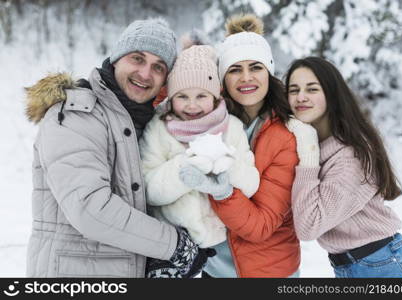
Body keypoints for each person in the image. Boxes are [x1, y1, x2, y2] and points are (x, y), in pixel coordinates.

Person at [25, 18, 210, 278]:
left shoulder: (144, 124)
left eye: (158, 67)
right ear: (116, 59)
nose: (145, 74)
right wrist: (175, 245)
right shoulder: (76, 114)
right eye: (137, 58)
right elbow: (90, 209)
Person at [179, 14, 301, 277]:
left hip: (268, 272)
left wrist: (222, 192)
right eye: (235, 69)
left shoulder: (286, 135)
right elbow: (165, 106)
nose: (246, 78)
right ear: (223, 78)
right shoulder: (209, 118)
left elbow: (261, 225)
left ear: (268, 71)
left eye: (255, 67)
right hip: (213, 269)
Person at [284, 56, 402, 278]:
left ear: (331, 94)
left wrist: (307, 159)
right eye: (294, 90)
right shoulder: (317, 145)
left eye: (312, 89)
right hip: (354, 266)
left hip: (384, 266)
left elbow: (309, 226)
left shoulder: (350, 157)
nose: (301, 97)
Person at [140, 45, 260, 277]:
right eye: (182, 96)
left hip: (224, 243)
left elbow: (252, 183)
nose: (192, 105)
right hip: (175, 246)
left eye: (201, 96)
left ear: (215, 97)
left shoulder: (232, 127)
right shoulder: (158, 129)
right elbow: (147, 189)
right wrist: (186, 165)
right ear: (171, 98)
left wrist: (226, 162)